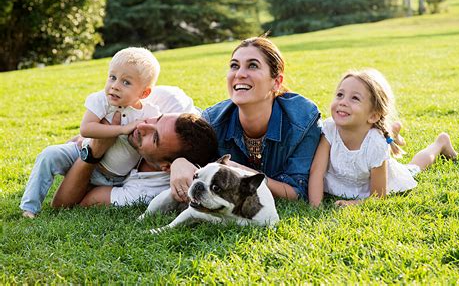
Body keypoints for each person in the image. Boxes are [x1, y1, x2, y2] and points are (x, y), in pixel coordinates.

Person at [170, 36, 322, 202]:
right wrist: (179, 162)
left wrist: (242, 172)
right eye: (234, 66)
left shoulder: (302, 120)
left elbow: (298, 192)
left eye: (253, 65)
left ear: (276, 82)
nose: (240, 74)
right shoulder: (213, 121)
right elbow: (193, 163)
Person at [20, 47, 163, 218]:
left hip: (114, 178)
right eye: (112, 77)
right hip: (80, 153)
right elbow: (86, 129)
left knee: (78, 200)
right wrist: (121, 129)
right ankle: (29, 207)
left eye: (126, 82)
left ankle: (81, 188)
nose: (115, 86)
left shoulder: (150, 114)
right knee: (48, 154)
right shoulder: (101, 100)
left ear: (144, 92)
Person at [308, 69, 457, 207]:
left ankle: (440, 143)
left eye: (354, 98)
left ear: (373, 115)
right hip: (344, 178)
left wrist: (353, 204)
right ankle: (393, 132)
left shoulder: (375, 144)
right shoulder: (330, 128)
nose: (343, 102)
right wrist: (315, 206)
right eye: (340, 95)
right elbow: (317, 171)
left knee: (413, 168)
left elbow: (378, 196)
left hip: (380, 176)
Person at [50, 111, 217, 210]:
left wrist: (94, 151)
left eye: (154, 137)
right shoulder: (172, 118)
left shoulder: (143, 192)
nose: (141, 127)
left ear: (165, 167)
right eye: (156, 119)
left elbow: (68, 203)